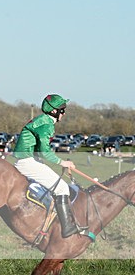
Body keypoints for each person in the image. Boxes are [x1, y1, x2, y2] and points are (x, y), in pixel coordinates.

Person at [12, 94, 82, 237]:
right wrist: (63, 162)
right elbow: (44, 152)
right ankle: (67, 228)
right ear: (54, 111)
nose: (64, 112)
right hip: (27, 161)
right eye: (62, 109)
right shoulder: (46, 124)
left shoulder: (42, 120)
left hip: (30, 159)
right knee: (62, 188)